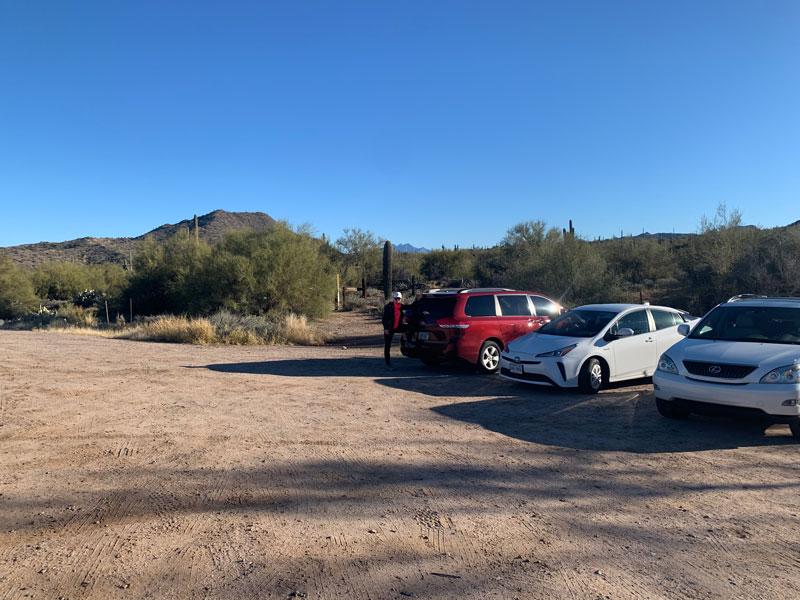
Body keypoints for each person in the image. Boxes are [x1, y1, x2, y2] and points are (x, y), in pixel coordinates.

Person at [382, 291, 406, 370]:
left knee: (408, 328)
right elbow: (384, 318)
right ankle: (387, 363)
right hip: (389, 328)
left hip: (397, 327)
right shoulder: (389, 307)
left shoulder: (400, 306)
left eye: (399, 299)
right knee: (387, 345)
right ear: (394, 299)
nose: (398, 300)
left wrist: (418, 300)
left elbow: (410, 307)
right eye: (396, 299)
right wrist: (385, 328)